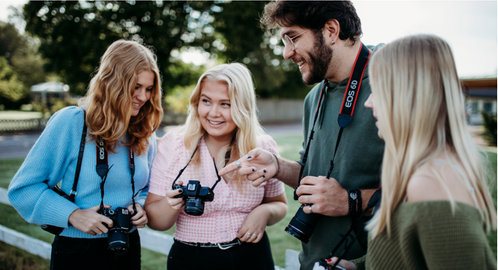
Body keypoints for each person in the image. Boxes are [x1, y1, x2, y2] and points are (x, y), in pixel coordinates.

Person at [219, 1, 384, 269]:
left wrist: (349, 201)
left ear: (331, 30)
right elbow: (313, 177)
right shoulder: (313, 99)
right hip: (315, 263)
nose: (286, 54)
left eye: (292, 37)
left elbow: (427, 191)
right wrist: (277, 166)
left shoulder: (393, 78)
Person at [326, 34, 497, 270]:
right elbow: (410, 256)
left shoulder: (432, 182)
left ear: (408, 96)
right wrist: (357, 267)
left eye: (377, 90)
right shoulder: (427, 171)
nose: (368, 103)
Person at [8, 40, 163, 269]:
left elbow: (147, 187)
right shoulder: (72, 122)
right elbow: (23, 189)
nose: (143, 97)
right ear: (113, 83)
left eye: (149, 89)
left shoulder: (142, 132)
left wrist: (140, 205)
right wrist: (72, 214)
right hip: (77, 250)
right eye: (135, 87)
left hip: (128, 246)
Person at [144, 63, 287, 270]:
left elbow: (280, 205)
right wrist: (172, 204)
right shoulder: (175, 146)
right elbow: (156, 221)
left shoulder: (263, 148)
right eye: (206, 101)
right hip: (192, 260)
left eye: (225, 104)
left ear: (242, 106)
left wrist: (263, 213)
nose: (213, 113)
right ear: (196, 103)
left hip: (253, 257)